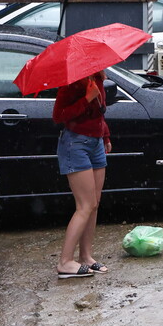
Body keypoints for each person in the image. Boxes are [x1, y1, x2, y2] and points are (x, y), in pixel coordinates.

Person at [53, 71, 110, 279]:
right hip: (75, 143)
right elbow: (59, 115)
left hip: (95, 143)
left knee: (94, 203)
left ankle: (86, 257)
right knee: (85, 205)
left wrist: (105, 135)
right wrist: (86, 98)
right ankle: (65, 262)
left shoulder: (98, 78)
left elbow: (98, 113)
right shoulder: (71, 82)